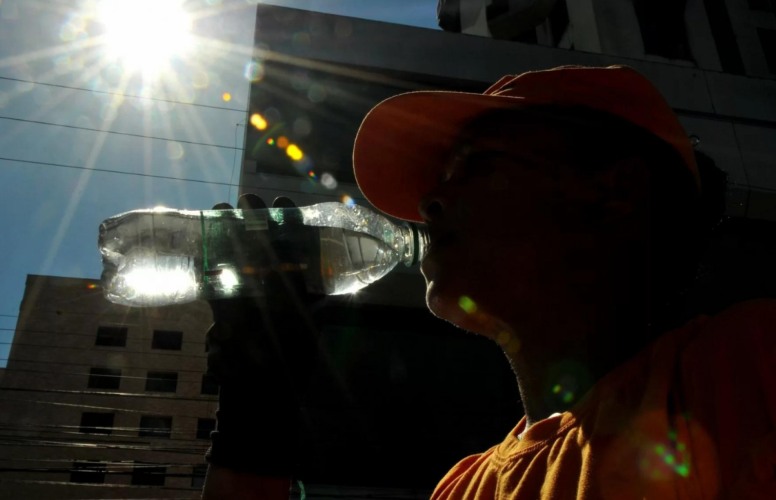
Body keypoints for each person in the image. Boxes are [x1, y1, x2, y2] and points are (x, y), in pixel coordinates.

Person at [202, 65, 776, 499]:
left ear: (613, 194)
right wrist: (259, 417)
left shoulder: (748, 368)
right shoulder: (465, 486)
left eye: (473, 166)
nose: (428, 202)